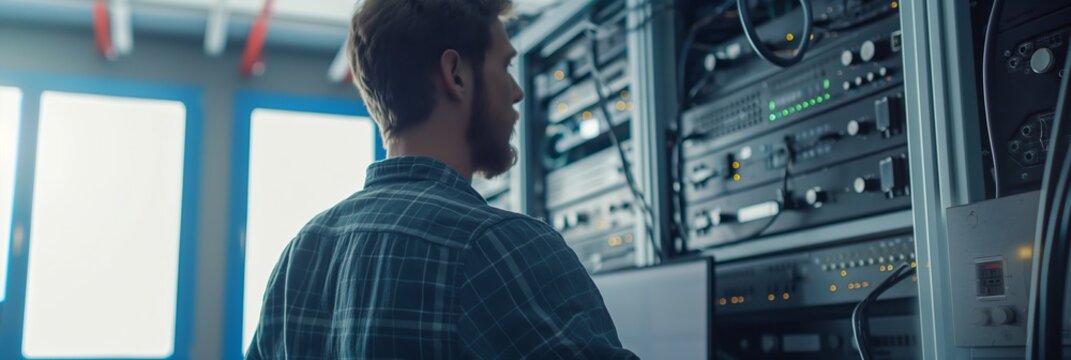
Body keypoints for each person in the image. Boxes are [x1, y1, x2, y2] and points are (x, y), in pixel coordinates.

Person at [245, 0, 637, 358]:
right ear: (456, 75)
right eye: (504, 66)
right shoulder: (499, 247)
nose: (517, 92)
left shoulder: (301, 256)